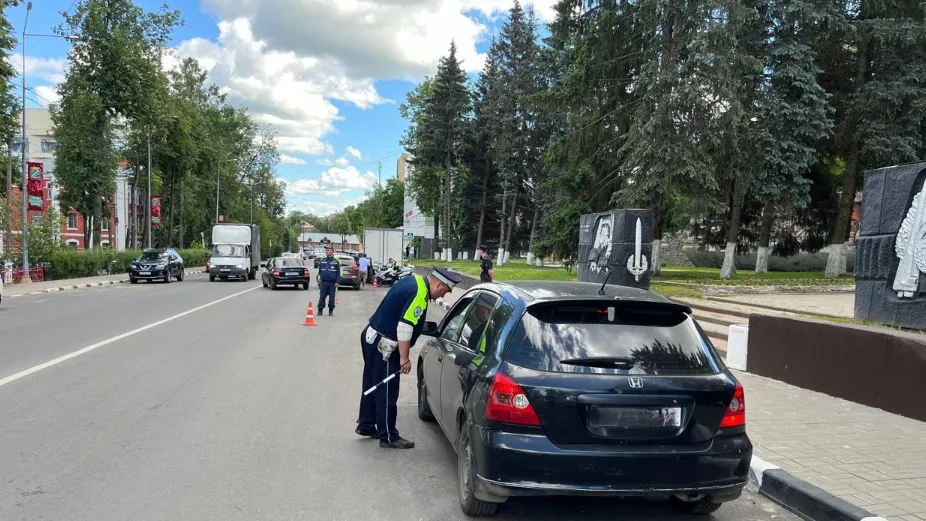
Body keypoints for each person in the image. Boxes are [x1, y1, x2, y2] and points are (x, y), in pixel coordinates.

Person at [356, 267, 460, 448]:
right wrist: (404, 358)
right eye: (444, 291)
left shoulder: (413, 281)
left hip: (371, 336)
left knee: (373, 384)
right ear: (438, 284)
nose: (442, 296)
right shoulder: (420, 294)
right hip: (384, 346)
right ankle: (389, 437)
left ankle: (366, 424)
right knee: (387, 391)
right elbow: (404, 327)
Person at [316, 245, 340, 315]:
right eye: (326, 250)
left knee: (332, 297)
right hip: (323, 282)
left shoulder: (336, 261)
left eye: (328, 250)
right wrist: (318, 280)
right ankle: (320, 310)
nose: (327, 251)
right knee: (322, 296)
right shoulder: (323, 260)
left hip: (332, 283)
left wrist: (337, 281)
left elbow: (338, 273)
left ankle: (331, 310)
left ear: (332, 251)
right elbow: (319, 272)